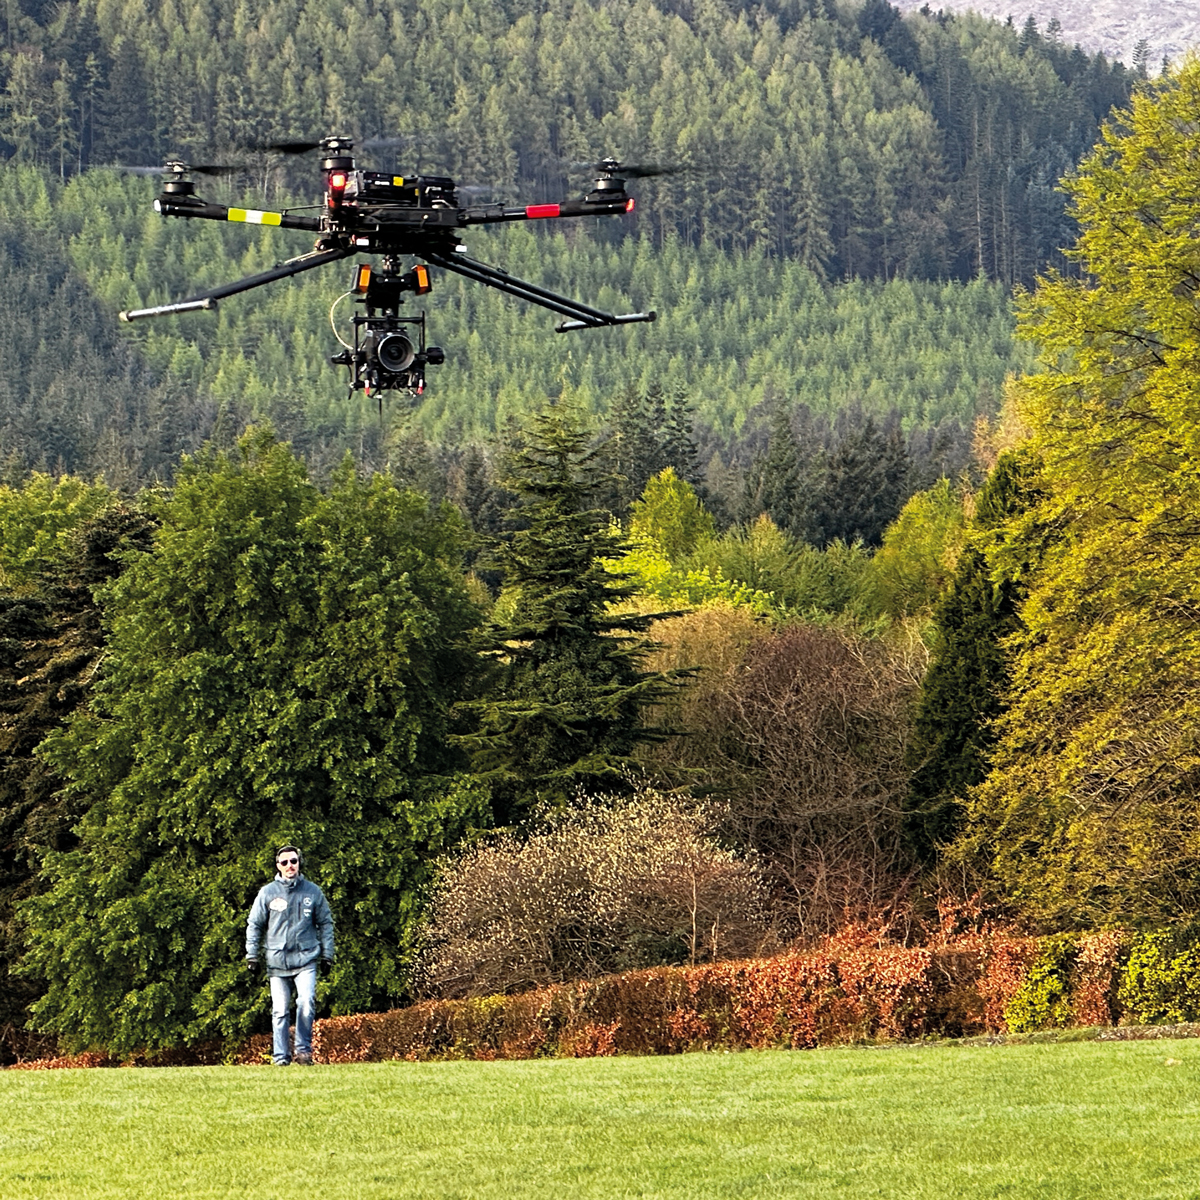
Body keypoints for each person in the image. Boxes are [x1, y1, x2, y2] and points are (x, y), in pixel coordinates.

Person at [246, 844, 335, 1065]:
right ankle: (280, 1058)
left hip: (306, 959)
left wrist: (328, 955)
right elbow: (254, 924)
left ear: (299, 863)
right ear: (278, 866)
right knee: (280, 1011)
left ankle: (303, 1052)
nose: (289, 865)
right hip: (277, 962)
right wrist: (252, 955)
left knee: (306, 1002)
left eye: (293, 861)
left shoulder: (313, 892)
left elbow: (325, 923)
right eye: (284, 862)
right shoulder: (267, 892)